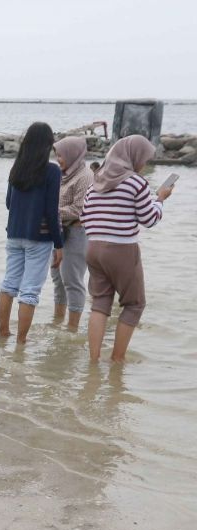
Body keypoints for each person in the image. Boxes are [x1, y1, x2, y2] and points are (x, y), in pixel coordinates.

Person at [81, 135, 172, 363]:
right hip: (121, 249)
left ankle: (93, 360)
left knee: (100, 304)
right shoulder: (136, 182)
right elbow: (150, 219)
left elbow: (84, 217)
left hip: (92, 248)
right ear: (134, 157)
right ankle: (117, 359)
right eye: (144, 159)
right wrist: (160, 199)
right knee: (134, 305)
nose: (144, 164)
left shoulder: (96, 183)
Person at [0, 122, 63, 344]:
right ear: (47, 145)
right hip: (39, 237)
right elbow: (51, 211)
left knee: (8, 285)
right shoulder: (52, 171)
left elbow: (8, 203)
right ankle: (20, 343)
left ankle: (2, 333)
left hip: (14, 233)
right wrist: (59, 244)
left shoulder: (16, 168)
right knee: (30, 292)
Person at [49, 137, 95, 331]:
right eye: (57, 155)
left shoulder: (85, 176)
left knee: (72, 280)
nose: (58, 159)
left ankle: (72, 328)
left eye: (61, 155)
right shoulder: (63, 173)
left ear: (72, 154)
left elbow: (79, 209)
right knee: (57, 279)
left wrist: (51, 212)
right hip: (58, 231)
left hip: (76, 231)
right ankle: (58, 320)